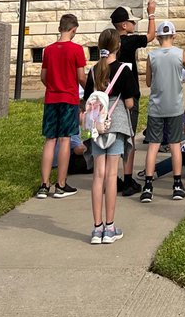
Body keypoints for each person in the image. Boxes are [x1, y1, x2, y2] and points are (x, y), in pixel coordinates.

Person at [82, 26, 135, 244]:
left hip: (96, 125)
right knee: (112, 176)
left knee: (98, 175)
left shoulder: (94, 71)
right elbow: (130, 103)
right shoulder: (124, 70)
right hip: (116, 123)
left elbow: (86, 99)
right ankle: (110, 227)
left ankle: (97, 228)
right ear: (118, 46)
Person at [139, 20, 185, 203]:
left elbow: (149, 82)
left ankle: (148, 187)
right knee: (175, 145)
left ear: (157, 37)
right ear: (174, 35)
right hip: (175, 107)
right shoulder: (180, 53)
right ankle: (177, 185)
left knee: (153, 146)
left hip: (156, 107)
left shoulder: (152, 56)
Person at [37, 12, 87, 199]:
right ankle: (61, 184)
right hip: (69, 99)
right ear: (74, 30)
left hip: (51, 99)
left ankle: (44, 185)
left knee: (50, 140)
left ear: (60, 28)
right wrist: (89, 91)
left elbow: (43, 76)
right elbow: (81, 76)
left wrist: (52, 87)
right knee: (65, 139)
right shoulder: (76, 50)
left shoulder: (48, 50)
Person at [111, 1, 157, 196]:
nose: (134, 24)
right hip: (129, 96)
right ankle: (128, 180)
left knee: (114, 138)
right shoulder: (129, 41)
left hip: (112, 97)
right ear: (124, 25)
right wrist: (151, 14)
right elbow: (151, 36)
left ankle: (112, 178)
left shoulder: (109, 41)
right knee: (129, 138)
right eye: (131, 22)